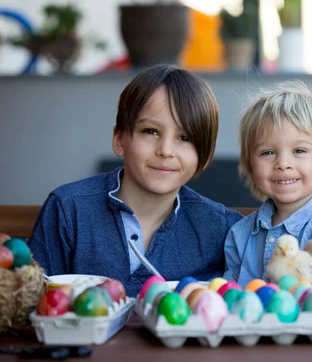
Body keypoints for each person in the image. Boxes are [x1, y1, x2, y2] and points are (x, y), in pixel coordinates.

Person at [28, 65, 243, 296]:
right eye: (150, 131)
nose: (166, 150)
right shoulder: (69, 211)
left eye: (185, 137)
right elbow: (34, 304)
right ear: (119, 139)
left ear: (205, 154)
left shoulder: (222, 228)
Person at [224, 80, 312, 287]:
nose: (283, 164)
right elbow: (229, 296)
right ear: (251, 167)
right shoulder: (240, 234)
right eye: (268, 152)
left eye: (299, 151)